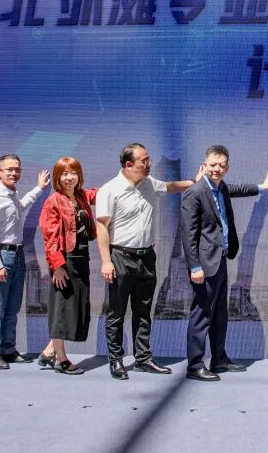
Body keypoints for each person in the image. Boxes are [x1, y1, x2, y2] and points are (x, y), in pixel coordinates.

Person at [181, 145, 268, 382]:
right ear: (204, 165)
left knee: (220, 314)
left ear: (227, 168)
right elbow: (188, 233)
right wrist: (195, 266)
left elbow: (238, 189)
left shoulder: (221, 188)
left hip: (220, 260)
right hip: (204, 265)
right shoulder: (195, 193)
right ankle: (195, 365)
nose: (217, 169)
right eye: (213, 165)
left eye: (222, 165)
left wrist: (263, 187)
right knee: (201, 315)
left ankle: (219, 359)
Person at [96, 143, 196, 380]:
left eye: (149, 159)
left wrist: (195, 181)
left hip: (146, 257)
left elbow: (170, 187)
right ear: (128, 164)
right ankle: (116, 360)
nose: (148, 164)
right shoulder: (109, 190)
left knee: (143, 311)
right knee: (117, 312)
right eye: (144, 160)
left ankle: (143, 359)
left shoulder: (149, 183)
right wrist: (106, 261)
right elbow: (101, 226)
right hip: (120, 256)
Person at [0, 154, 50, 370]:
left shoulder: (12, 194)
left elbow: (21, 206)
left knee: (12, 309)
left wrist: (39, 189)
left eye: (17, 169)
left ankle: (8, 350)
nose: (14, 173)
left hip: (18, 254)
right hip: (2, 255)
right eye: (9, 169)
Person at [38, 157, 98, 375]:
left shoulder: (81, 196)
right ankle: (60, 359)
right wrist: (57, 266)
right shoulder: (53, 201)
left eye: (73, 173)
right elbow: (50, 237)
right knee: (62, 309)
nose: (69, 177)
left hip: (81, 258)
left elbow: (104, 193)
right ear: (57, 177)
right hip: (65, 260)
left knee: (75, 307)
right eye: (64, 174)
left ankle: (48, 351)